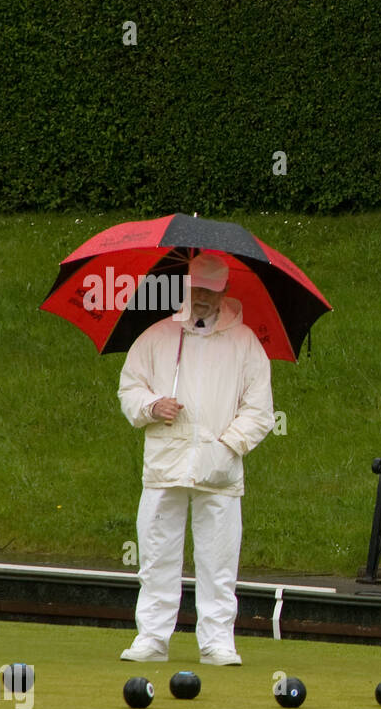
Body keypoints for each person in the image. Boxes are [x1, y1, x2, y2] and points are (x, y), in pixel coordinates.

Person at [117, 253, 275, 665]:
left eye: (211, 290)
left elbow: (260, 410)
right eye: (197, 289)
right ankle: (152, 638)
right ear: (186, 287)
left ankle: (218, 642)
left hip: (219, 468)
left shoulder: (245, 344)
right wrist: (153, 405)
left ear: (225, 291)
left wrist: (227, 446)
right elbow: (130, 388)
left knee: (219, 562)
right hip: (165, 463)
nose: (202, 297)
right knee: (156, 556)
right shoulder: (157, 336)